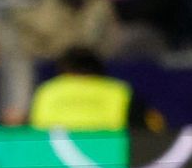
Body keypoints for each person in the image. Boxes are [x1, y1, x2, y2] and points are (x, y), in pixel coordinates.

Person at [28, 46, 164, 132]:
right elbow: (149, 129)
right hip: (111, 158)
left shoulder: (48, 89)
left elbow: (34, 129)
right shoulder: (118, 91)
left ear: (64, 69)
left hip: (52, 159)